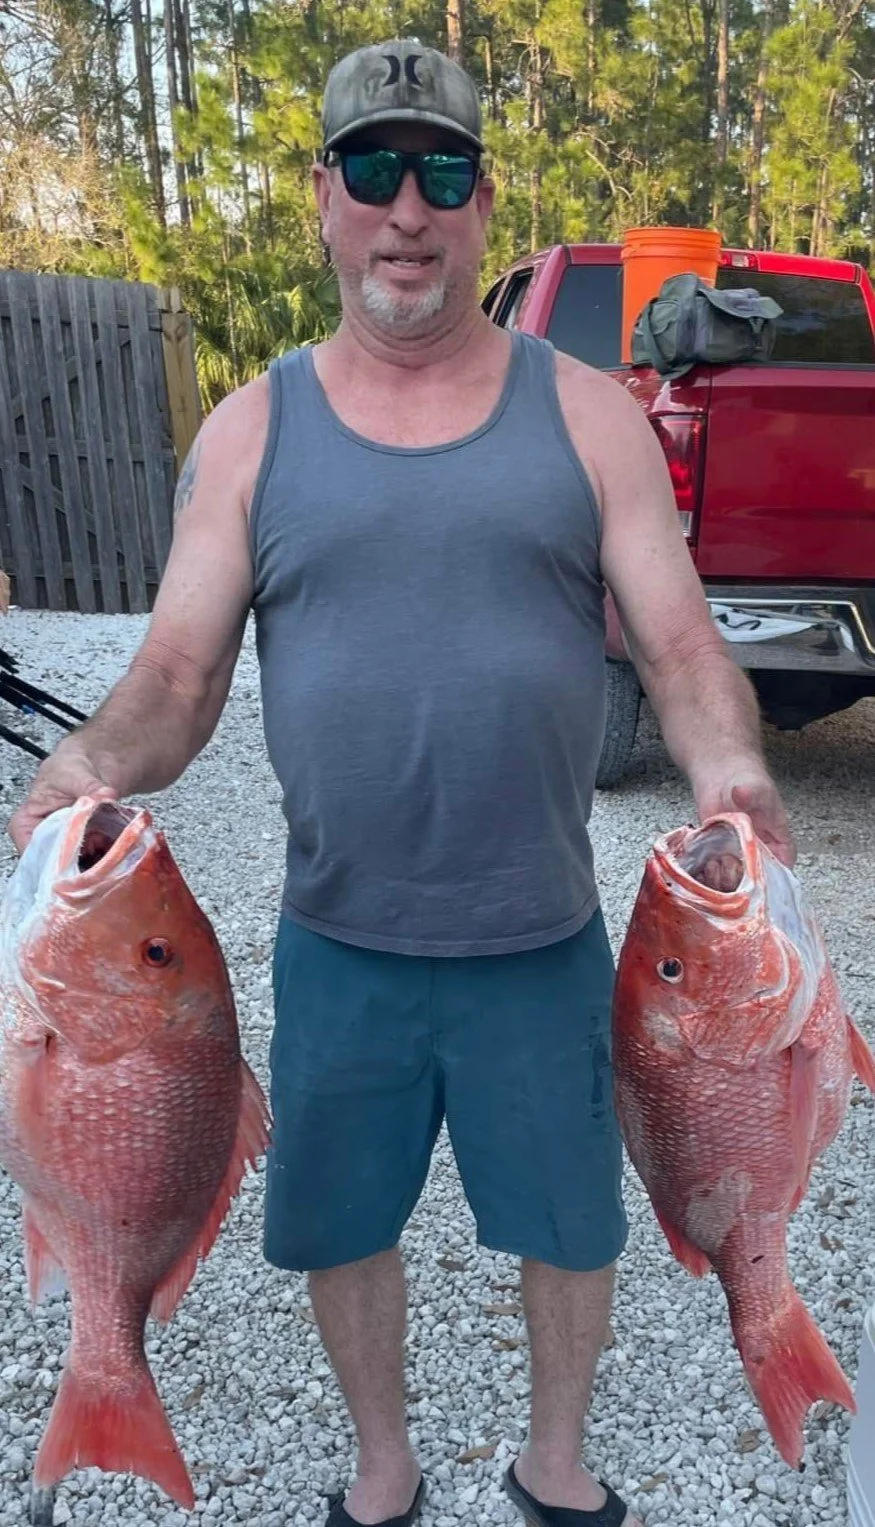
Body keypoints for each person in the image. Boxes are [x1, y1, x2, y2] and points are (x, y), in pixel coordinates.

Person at [8, 38, 795, 1527]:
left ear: (484, 203)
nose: (406, 212)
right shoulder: (252, 430)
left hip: (547, 939)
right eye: (373, 171)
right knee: (338, 1221)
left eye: (439, 172)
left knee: (568, 1223)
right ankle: (384, 1467)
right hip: (339, 942)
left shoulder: (585, 416)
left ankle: (553, 1464)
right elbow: (175, 677)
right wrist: (86, 764)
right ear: (324, 197)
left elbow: (680, 641)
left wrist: (733, 764)